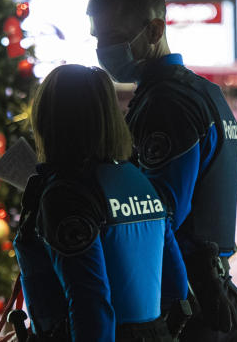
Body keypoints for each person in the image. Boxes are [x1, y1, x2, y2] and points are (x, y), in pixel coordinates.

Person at [87, 0, 237, 342]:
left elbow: (158, 212)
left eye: (112, 38)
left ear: (155, 30)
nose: (103, 49)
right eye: (98, 39)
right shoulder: (203, 92)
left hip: (184, 301)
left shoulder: (166, 103)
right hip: (214, 292)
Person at [14, 64, 187, 342]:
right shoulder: (141, 181)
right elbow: (176, 286)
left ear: (48, 120)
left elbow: (89, 303)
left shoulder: (65, 195)